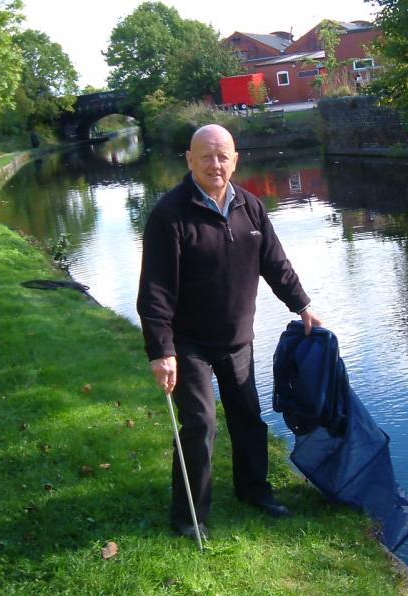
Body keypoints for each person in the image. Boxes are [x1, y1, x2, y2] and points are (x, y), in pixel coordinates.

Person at [137, 124, 322, 540]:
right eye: (206, 156)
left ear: (236, 160)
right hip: (189, 343)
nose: (215, 164)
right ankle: (190, 518)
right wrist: (160, 350)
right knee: (200, 424)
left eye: (223, 156)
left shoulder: (252, 208)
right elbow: (155, 292)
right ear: (189, 159)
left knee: (249, 419)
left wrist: (303, 305)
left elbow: (276, 263)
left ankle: (255, 491)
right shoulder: (169, 215)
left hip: (237, 337)